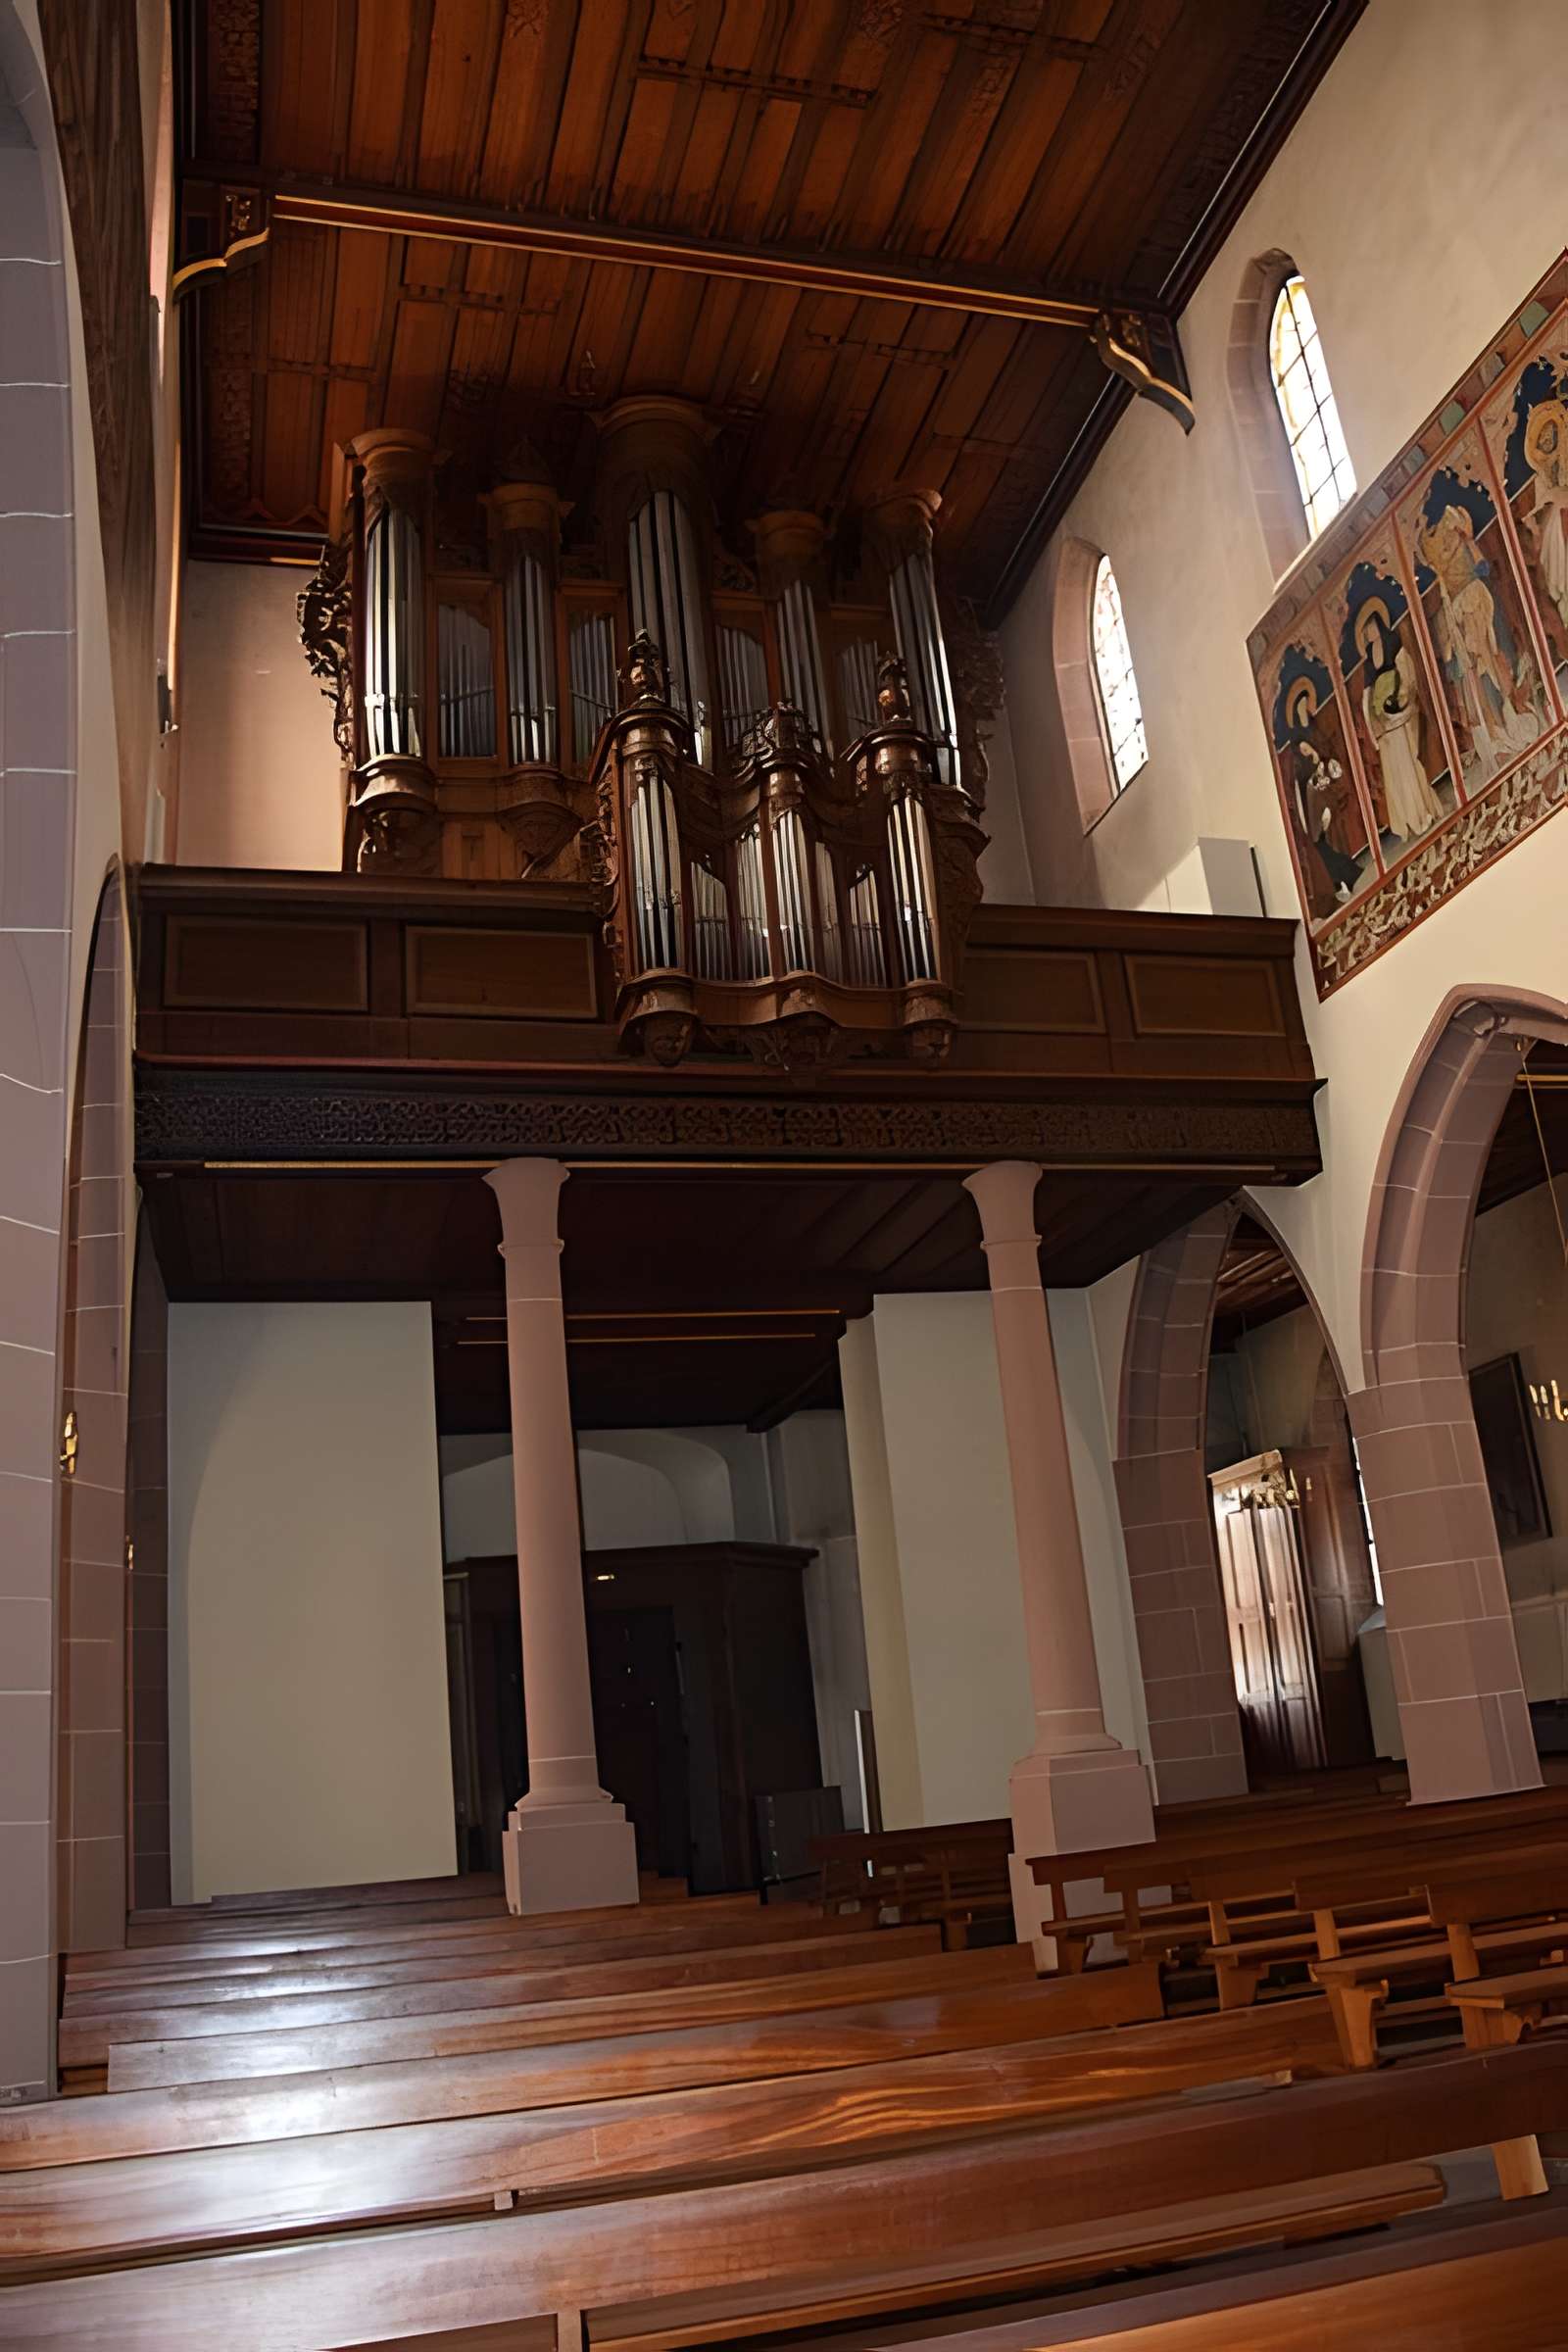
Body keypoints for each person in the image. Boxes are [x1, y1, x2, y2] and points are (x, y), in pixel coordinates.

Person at [1355, 602, 1444, 840]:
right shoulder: (1367, 663)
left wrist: (1401, 700)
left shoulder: (1392, 642)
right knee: (1394, 773)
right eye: (1365, 630)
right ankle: (1405, 819)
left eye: (1370, 627)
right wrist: (1374, 723)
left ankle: (1421, 812)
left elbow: (1405, 674)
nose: (1368, 633)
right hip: (1383, 720)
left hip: (1399, 713)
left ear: (1377, 624)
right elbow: (1367, 694)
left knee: (1408, 764)